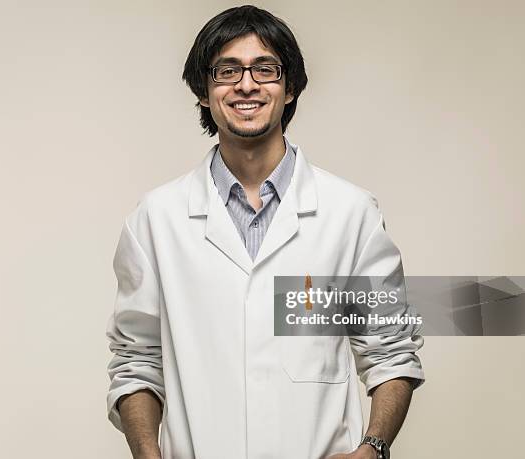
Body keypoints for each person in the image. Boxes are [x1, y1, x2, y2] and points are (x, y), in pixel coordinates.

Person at [106, 5, 425, 459]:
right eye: (226, 70)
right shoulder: (155, 220)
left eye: (266, 69)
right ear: (203, 91)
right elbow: (136, 361)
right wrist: (146, 454)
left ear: (289, 86)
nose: (247, 84)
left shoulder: (350, 213)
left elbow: (391, 349)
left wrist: (372, 449)